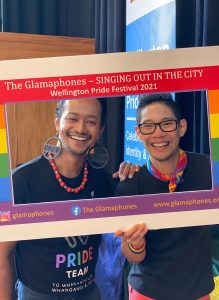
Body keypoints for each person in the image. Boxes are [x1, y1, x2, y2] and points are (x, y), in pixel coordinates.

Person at [0, 98, 136, 300]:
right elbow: (2, 256)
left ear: (100, 131)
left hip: (88, 292)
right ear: (57, 122)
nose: (81, 128)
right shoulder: (17, 181)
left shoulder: (102, 180)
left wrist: (135, 176)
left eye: (91, 122)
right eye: (72, 118)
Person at [115, 93, 219, 300]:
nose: (158, 133)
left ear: (181, 127)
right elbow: (133, 256)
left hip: (197, 292)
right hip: (148, 292)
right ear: (138, 133)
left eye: (167, 124)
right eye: (148, 126)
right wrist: (135, 243)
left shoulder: (209, 171)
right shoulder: (129, 186)